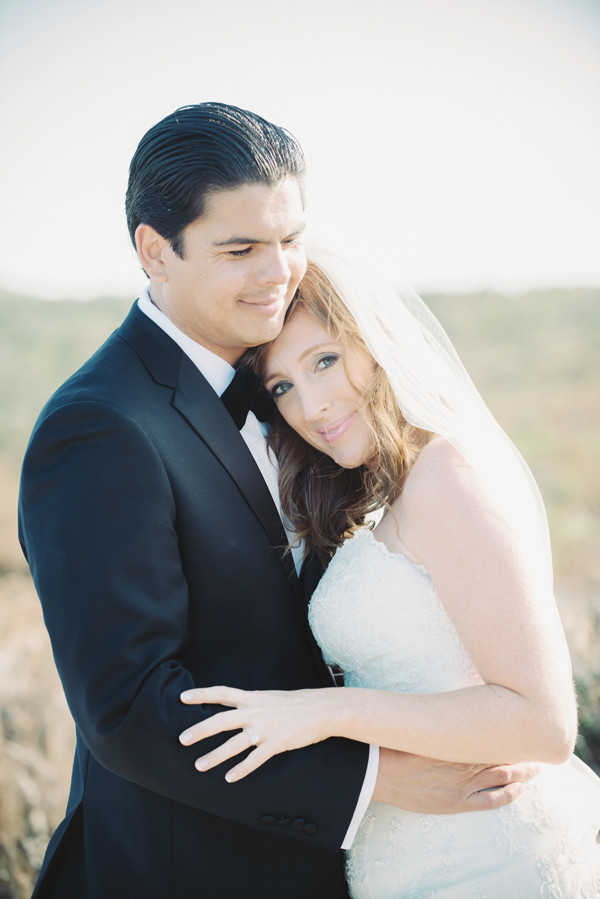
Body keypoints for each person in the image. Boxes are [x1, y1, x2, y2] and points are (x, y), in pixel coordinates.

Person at [19, 105, 537, 899]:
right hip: (190, 870)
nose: (277, 272)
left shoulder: (304, 396)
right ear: (156, 251)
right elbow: (128, 707)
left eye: (289, 240)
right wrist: (376, 778)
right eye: (240, 249)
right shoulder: (100, 427)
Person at [178, 252, 600, 897]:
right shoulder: (381, 496)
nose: (311, 406)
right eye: (282, 386)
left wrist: (326, 713)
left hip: (486, 857)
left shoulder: (443, 477)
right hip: (406, 858)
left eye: (324, 360)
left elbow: (542, 723)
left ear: (376, 347)